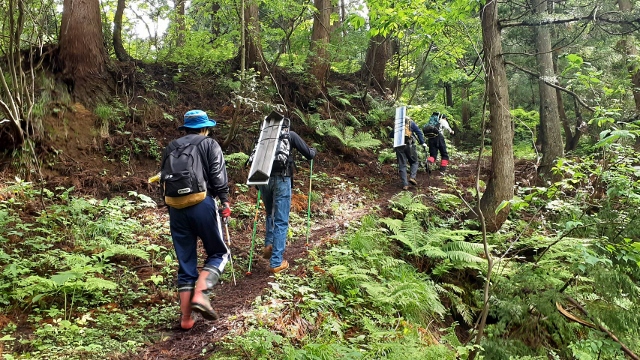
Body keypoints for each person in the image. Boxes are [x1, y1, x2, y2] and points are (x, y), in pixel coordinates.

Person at [159, 109, 232, 330]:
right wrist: (225, 200)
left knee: (185, 261)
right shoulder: (209, 144)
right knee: (220, 252)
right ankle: (201, 294)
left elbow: (163, 178)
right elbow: (217, 175)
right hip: (201, 203)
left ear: (185, 127)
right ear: (205, 127)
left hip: (175, 208)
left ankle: (186, 319)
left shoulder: (171, 147)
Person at [259, 130, 316, 273]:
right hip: (282, 179)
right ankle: (276, 262)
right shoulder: (290, 135)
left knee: (269, 214)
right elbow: (308, 154)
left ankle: (269, 245)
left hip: (263, 179)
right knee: (281, 220)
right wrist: (313, 151)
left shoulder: (264, 135)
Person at [394, 116, 427, 190]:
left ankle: (405, 184)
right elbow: (419, 132)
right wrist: (422, 142)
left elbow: (391, 135)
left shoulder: (397, 124)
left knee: (402, 165)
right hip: (410, 145)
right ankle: (412, 177)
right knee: (414, 162)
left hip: (399, 146)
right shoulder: (411, 123)